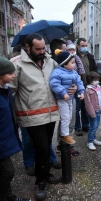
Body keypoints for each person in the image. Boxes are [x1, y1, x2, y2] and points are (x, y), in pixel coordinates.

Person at [9, 33, 61, 199]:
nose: (41, 52)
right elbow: (9, 90)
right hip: (31, 116)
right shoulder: (17, 64)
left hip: (50, 113)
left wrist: (71, 88)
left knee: (45, 148)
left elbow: (59, 81)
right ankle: (41, 181)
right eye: (37, 49)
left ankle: (45, 174)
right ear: (27, 47)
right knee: (42, 148)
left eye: (43, 48)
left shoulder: (51, 62)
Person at [0, 56, 31, 201]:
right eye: (10, 73)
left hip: (5, 139)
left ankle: (9, 197)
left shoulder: (5, 91)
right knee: (7, 172)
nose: (13, 75)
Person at [50, 50, 85, 145]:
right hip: (62, 99)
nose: (74, 65)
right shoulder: (57, 72)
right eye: (72, 63)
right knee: (65, 117)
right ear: (65, 64)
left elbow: (79, 82)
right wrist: (63, 93)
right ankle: (64, 135)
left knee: (69, 117)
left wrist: (81, 91)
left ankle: (67, 135)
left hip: (70, 98)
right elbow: (54, 84)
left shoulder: (73, 72)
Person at [75, 38, 97, 135]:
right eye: (82, 45)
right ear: (77, 46)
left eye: (85, 45)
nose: (84, 47)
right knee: (77, 108)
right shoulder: (74, 56)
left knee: (86, 107)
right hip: (77, 86)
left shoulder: (90, 56)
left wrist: (94, 81)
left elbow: (94, 70)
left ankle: (85, 125)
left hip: (87, 85)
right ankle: (77, 127)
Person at [84, 72, 101, 150]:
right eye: (95, 80)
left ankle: (93, 139)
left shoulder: (99, 87)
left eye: (97, 79)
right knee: (93, 127)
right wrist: (92, 113)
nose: (97, 81)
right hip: (93, 111)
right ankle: (89, 142)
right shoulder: (88, 89)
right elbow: (88, 103)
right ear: (90, 81)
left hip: (98, 109)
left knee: (96, 126)